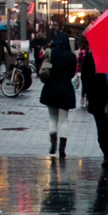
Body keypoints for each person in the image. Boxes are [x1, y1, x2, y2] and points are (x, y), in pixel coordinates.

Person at [40, 30, 77, 158]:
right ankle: (62, 148)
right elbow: (72, 73)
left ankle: (53, 142)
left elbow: (43, 68)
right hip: (65, 90)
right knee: (63, 120)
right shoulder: (71, 56)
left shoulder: (50, 53)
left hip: (51, 89)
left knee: (52, 118)